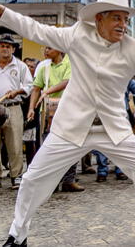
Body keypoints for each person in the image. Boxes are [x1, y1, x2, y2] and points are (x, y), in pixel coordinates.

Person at [0, 0, 135, 246]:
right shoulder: (77, 34)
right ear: (99, 19)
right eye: (116, 18)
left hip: (112, 129)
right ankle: (18, 235)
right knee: (33, 179)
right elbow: (33, 29)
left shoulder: (133, 49)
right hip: (70, 127)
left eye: (125, 19)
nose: (123, 25)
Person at [27, 47, 84, 192]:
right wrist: (31, 108)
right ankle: (51, 182)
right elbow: (35, 88)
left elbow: (67, 81)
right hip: (47, 112)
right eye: (45, 47)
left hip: (69, 109)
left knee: (71, 145)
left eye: (49, 47)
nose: (45, 50)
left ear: (59, 49)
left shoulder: (70, 62)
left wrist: (48, 91)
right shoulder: (43, 66)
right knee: (48, 146)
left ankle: (68, 180)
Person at [0, 34, 32, 191]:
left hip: (13, 106)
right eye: (2, 46)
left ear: (13, 49)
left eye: (8, 46)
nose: (5, 49)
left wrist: (17, 91)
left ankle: (16, 176)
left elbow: (30, 85)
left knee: (15, 142)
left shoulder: (20, 66)